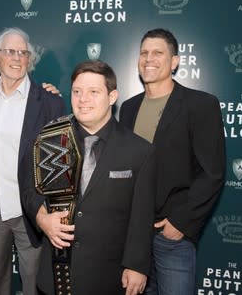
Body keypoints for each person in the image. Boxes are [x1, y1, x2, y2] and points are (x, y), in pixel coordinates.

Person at [22, 60, 156, 295]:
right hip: (55, 274)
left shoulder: (139, 151)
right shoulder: (50, 138)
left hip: (108, 278)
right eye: (77, 92)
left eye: (93, 92)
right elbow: (28, 187)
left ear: (112, 96)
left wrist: (137, 265)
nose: (83, 99)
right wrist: (41, 217)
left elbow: (142, 216)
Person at [0, 27, 66, 295]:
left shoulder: (50, 102)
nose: (16, 58)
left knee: (35, 285)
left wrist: (49, 210)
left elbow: (60, 166)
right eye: (10, 52)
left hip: (33, 212)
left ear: (30, 60)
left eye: (23, 53)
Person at [119, 28, 226, 295]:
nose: (149, 59)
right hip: (133, 238)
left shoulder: (200, 105)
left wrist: (181, 223)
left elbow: (212, 173)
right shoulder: (128, 108)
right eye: (144, 53)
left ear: (175, 61)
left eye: (158, 53)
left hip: (172, 237)